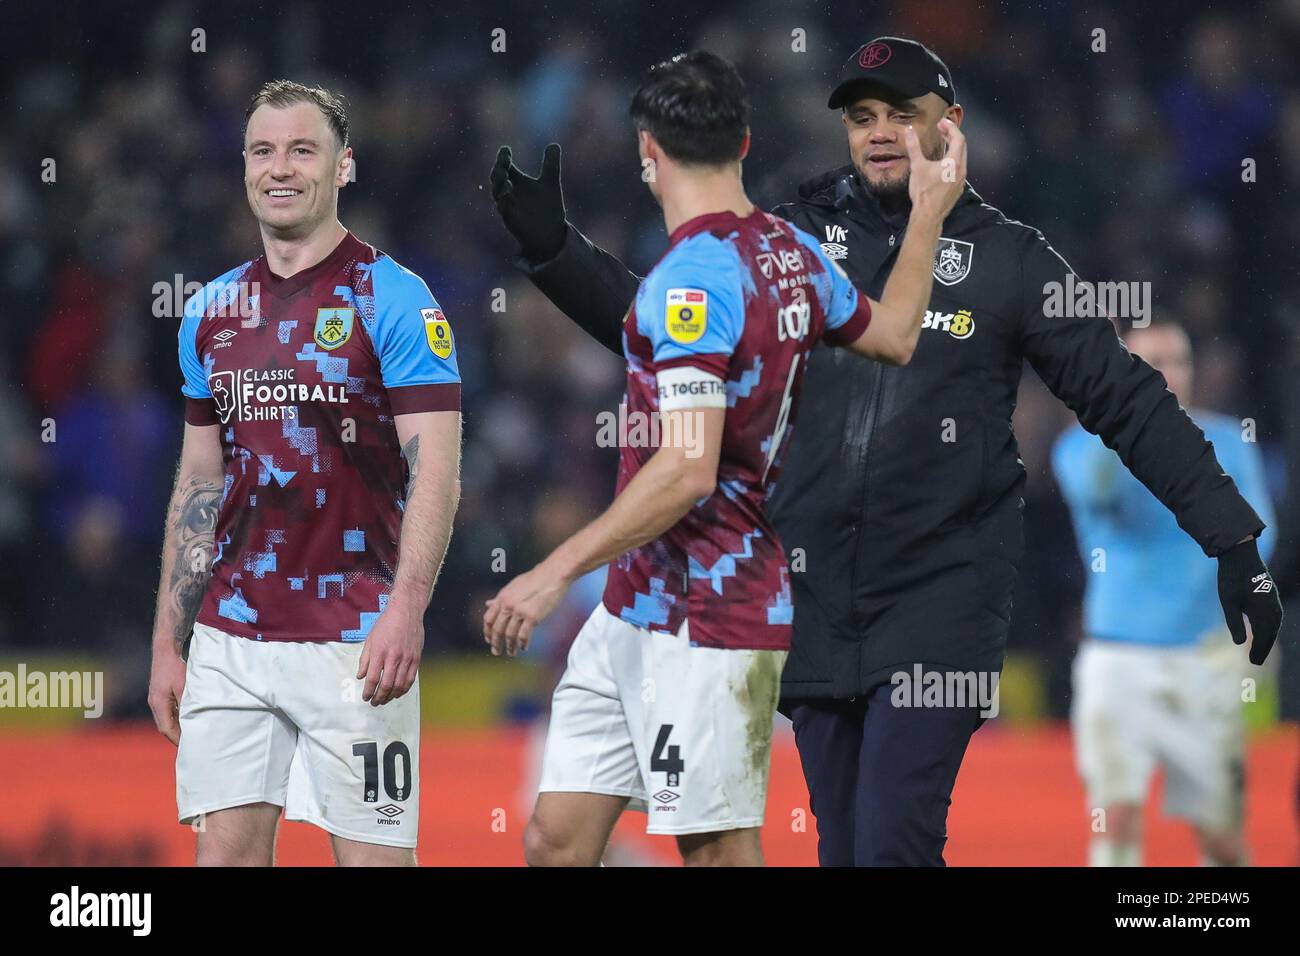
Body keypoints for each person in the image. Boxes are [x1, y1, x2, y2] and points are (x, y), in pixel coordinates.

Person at [490, 36, 1283, 866]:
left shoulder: (1010, 261)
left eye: (903, 116)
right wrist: (557, 254)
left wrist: (1232, 536)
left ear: (953, 125)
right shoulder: (791, 240)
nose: (878, 132)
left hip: (941, 601)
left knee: (890, 850)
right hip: (813, 596)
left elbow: (1127, 398)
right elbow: (670, 329)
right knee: (847, 854)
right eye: (863, 116)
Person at [483, 50, 966, 866]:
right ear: (743, 144)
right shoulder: (792, 254)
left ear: (648, 153)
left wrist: (553, 569)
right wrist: (929, 211)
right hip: (637, 608)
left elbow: (686, 468)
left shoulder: (690, 284)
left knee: (715, 851)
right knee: (554, 842)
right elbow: (896, 334)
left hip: (713, 618)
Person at [146, 80, 462, 866]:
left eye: (302, 149)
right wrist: (168, 641)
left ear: (343, 166)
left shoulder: (394, 297)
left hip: (355, 639)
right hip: (232, 637)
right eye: (262, 150)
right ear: (244, 166)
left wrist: (406, 610)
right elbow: (198, 485)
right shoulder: (211, 311)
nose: (279, 167)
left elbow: (438, 471)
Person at [1054, 320, 1274, 867]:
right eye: (1148, 364)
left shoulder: (1228, 442)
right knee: (1117, 820)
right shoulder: (1084, 447)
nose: (1166, 374)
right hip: (1118, 657)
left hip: (1204, 656)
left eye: (1176, 361)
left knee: (1221, 836)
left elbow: (1259, 539)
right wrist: (1119, 416)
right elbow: (1098, 492)